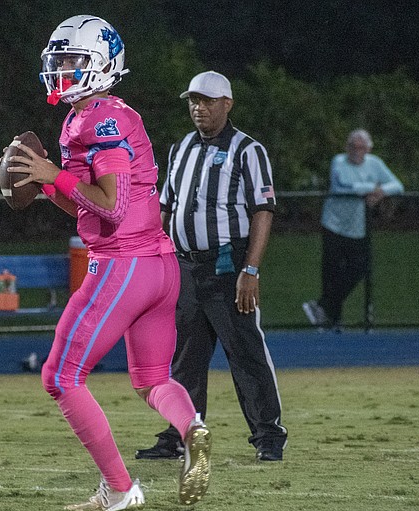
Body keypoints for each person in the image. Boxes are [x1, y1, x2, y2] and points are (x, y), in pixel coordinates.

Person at [5, 15, 211, 511]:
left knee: (60, 376)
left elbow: (112, 204)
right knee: (153, 380)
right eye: (59, 61)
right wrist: (48, 187)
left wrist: (55, 173)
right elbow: (89, 205)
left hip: (125, 266)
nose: (62, 70)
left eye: (73, 60)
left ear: (102, 64)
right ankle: (193, 429)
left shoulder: (101, 118)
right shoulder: (94, 114)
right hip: (158, 266)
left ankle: (120, 489)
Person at [135, 71, 288, 462]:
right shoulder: (181, 147)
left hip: (227, 265)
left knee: (245, 351)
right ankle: (180, 434)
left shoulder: (247, 150)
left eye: (206, 101)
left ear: (227, 104)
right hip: (184, 266)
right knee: (185, 356)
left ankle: (268, 436)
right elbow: (166, 206)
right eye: (192, 101)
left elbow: (263, 211)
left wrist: (250, 270)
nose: (198, 108)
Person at [302, 129, 404, 330]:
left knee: (358, 268)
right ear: (347, 147)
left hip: (357, 227)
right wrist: (371, 188)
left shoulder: (374, 163)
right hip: (334, 224)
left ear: (368, 149)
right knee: (331, 271)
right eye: (353, 147)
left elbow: (397, 185)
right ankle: (333, 320)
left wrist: (381, 191)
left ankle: (323, 307)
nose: (356, 151)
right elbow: (343, 186)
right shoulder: (339, 162)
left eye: (361, 148)